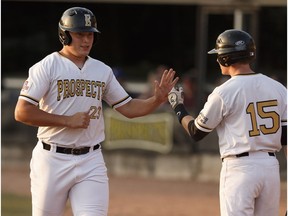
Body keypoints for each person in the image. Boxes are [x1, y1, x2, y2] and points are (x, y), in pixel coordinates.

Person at [14, 7, 178, 216]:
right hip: (51, 158)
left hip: (90, 159)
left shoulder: (102, 70)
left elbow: (127, 107)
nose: (86, 40)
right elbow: (22, 112)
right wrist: (66, 121)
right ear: (64, 35)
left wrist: (156, 100)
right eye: (80, 34)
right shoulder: (47, 66)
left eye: (90, 34)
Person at [168, 29, 287, 216]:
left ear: (226, 58)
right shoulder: (278, 88)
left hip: (240, 169)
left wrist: (178, 106)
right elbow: (286, 139)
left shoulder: (224, 92)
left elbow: (196, 131)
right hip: (271, 169)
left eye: (219, 55)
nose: (217, 60)